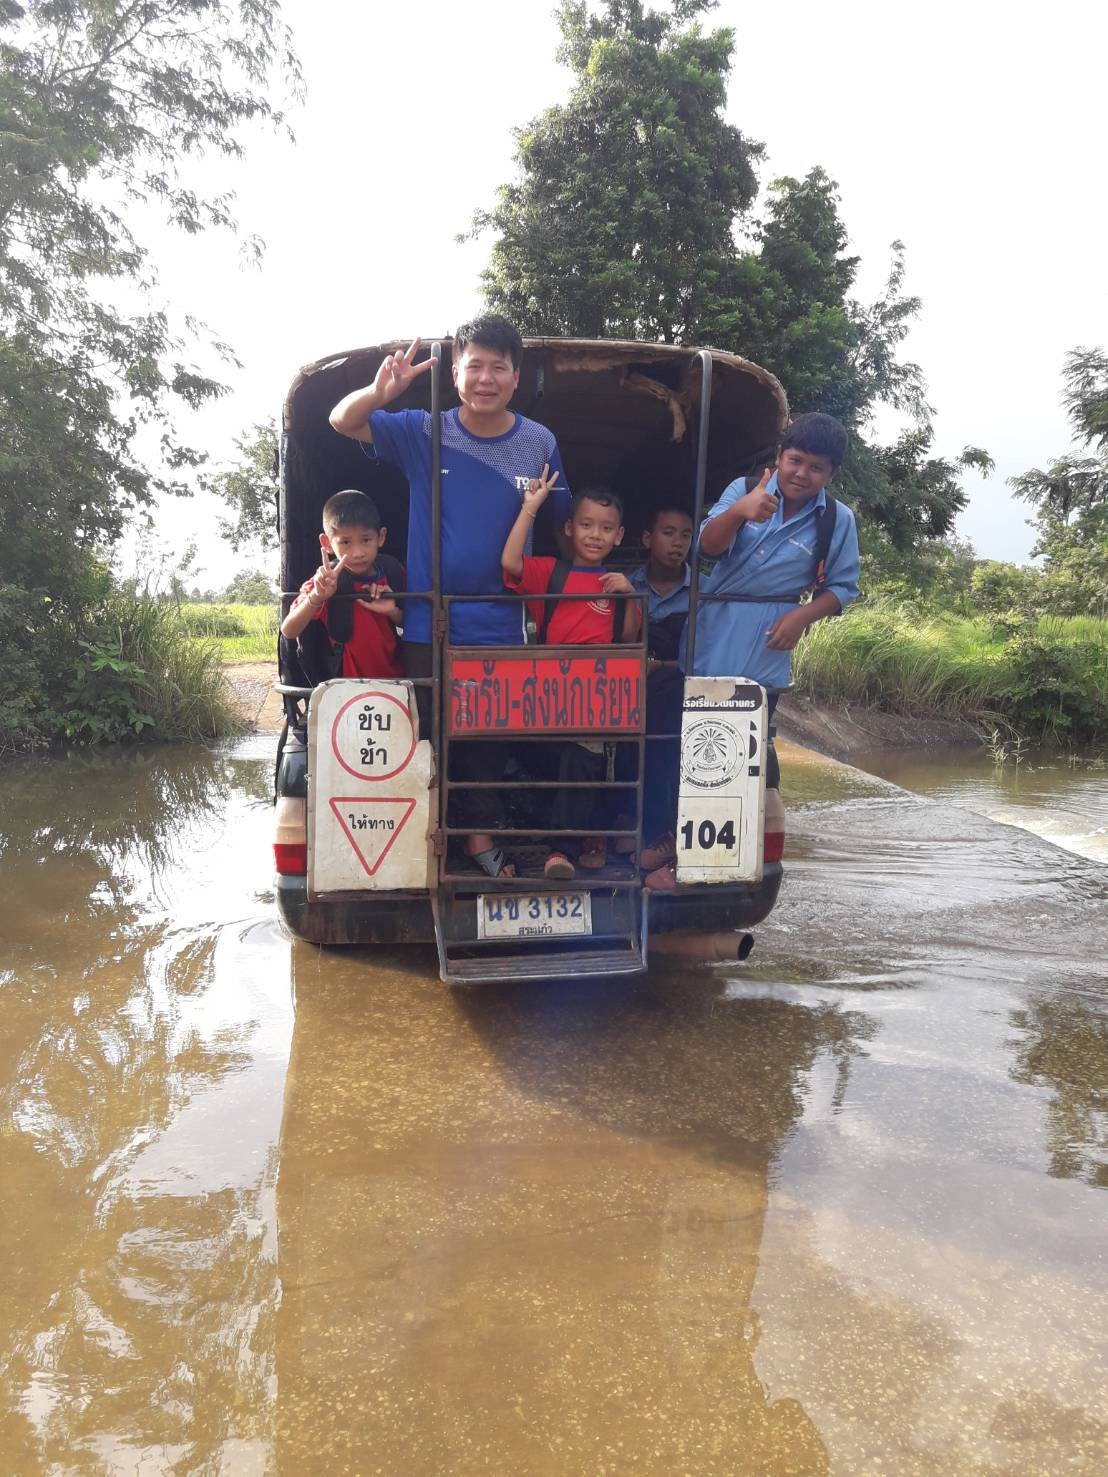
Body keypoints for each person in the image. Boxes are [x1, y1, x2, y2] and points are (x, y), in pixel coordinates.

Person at [329, 316, 571, 878]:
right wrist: (379, 392)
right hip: (427, 623)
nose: (486, 378)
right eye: (474, 366)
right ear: (456, 375)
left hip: (502, 625)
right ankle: (418, 844)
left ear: (516, 377)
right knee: (424, 738)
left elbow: (563, 524)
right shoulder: (422, 430)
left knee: (484, 747)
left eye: (498, 367)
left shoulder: (540, 441)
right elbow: (342, 421)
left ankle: (478, 844)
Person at [643, 412, 861, 890]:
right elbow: (704, 549)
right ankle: (670, 838)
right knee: (686, 748)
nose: (802, 474)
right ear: (779, 457)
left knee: (739, 759)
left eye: (816, 467)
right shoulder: (743, 488)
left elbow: (843, 588)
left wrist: (802, 617)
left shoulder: (836, 520)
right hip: (708, 639)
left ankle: (699, 860)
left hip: (765, 650)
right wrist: (742, 511)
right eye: (795, 460)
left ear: (831, 474)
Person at [502, 474, 640, 880]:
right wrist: (530, 506)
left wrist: (630, 595)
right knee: (542, 764)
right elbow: (510, 563)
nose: (595, 535)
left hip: (594, 699)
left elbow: (628, 639)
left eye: (606, 528)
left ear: (619, 536)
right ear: (569, 528)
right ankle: (577, 837)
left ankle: (561, 852)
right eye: (586, 525)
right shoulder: (552, 574)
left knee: (584, 760)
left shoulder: (616, 585)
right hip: (546, 695)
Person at [280, 489, 403, 681]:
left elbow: (416, 625)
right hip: (344, 692)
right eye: (345, 542)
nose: (357, 552)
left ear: (381, 537)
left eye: (366, 540)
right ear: (326, 543)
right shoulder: (324, 581)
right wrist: (317, 598)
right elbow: (288, 630)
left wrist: (393, 612)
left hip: (395, 684)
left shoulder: (394, 573)